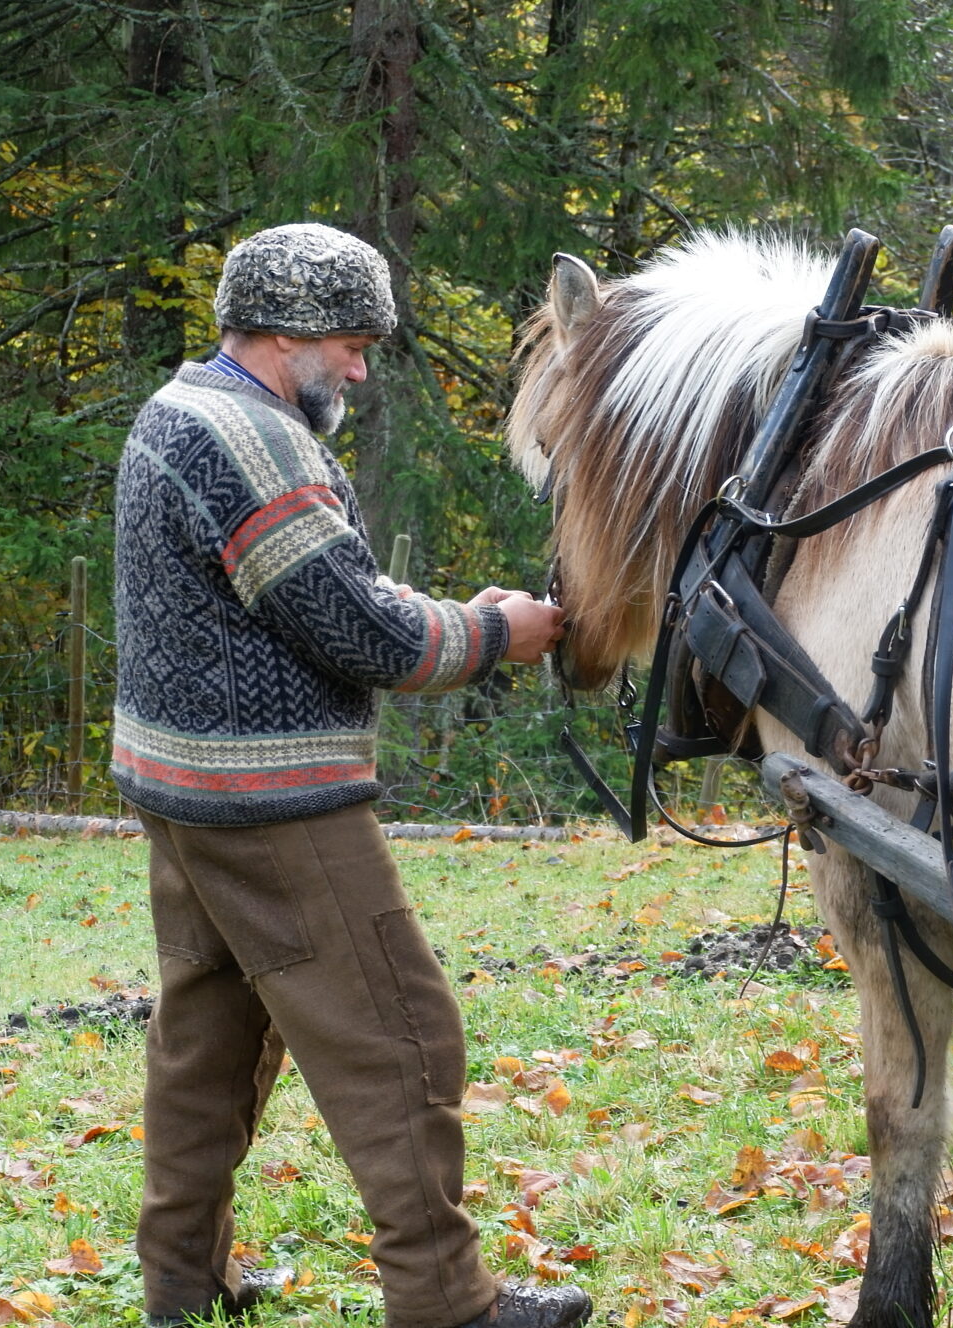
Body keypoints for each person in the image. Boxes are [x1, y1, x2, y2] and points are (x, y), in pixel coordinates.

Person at [111, 222, 582, 1328]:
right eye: (353, 345)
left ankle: (181, 1285)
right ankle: (448, 1306)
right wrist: (490, 631)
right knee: (404, 1039)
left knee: (207, 1046)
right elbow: (356, 627)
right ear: (286, 334)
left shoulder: (175, 410)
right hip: (271, 804)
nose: (363, 371)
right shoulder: (254, 438)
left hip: (183, 791)